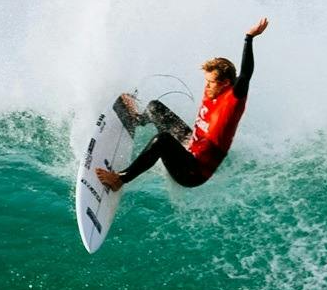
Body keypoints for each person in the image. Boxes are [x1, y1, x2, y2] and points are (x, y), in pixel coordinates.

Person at [95, 17, 268, 192]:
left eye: (211, 82)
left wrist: (249, 37)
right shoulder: (213, 89)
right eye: (206, 81)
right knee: (155, 107)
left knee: (162, 140)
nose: (207, 86)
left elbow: (246, 73)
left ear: (225, 83)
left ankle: (120, 179)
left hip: (193, 172)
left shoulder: (233, 100)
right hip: (191, 144)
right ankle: (136, 120)